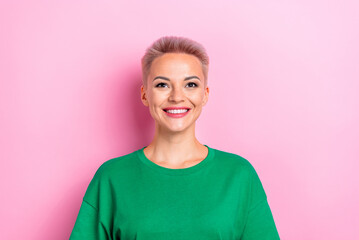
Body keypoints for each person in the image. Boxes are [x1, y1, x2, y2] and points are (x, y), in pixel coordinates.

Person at [69, 36, 280, 240]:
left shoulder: (239, 176)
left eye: (191, 85)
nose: (177, 97)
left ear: (205, 94)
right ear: (145, 94)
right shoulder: (112, 178)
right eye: (162, 85)